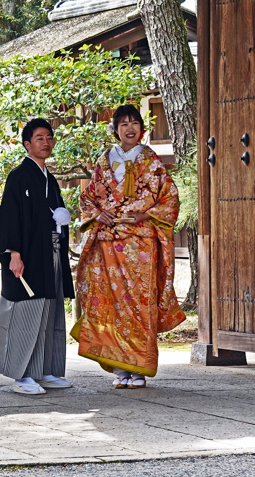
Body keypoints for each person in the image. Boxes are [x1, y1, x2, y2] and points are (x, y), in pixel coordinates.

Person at [72, 104, 185, 389]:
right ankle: (119, 369)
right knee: (110, 302)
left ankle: (139, 368)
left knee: (138, 302)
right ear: (115, 130)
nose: (130, 128)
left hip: (141, 243)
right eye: (123, 124)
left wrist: (146, 214)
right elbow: (88, 199)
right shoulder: (104, 160)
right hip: (108, 241)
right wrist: (99, 215)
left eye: (135, 123)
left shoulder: (152, 160)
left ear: (142, 129)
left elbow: (170, 197)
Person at [0, 118, 75, 394]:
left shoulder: (50, 178)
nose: (46, 142)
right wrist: (15, 254)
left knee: (49, 313)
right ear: (27, 144)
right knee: (25, 315)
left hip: (51, 254)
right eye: (39, 138)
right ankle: (22, 375)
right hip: (27, 255)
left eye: (49, 137)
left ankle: (44, 370)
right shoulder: (19, 176)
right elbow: (11, 218)